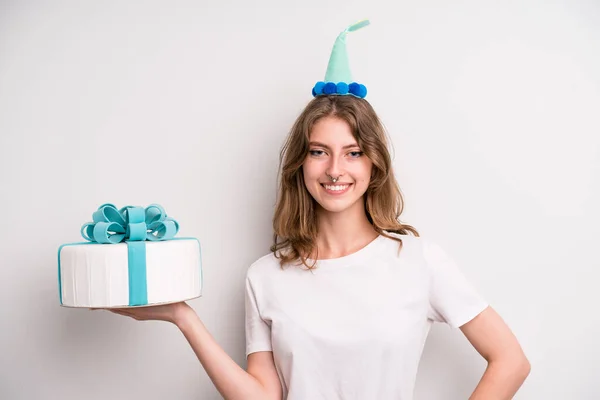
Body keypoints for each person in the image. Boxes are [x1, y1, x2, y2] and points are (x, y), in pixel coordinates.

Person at [105, 20, 530, 399]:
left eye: (352, 153)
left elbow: (510, 360)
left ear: (373, 163)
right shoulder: (265, 276)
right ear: (301, 164)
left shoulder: (419, 260)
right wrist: (184, 319)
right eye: (319, 152)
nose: (334, 170)